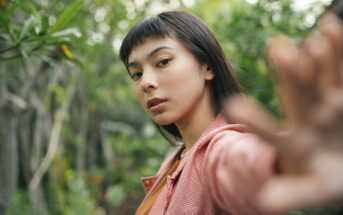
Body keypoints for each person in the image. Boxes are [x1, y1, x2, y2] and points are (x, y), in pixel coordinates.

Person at [119, 10, 343, 215]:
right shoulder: (174, 160)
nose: (146, 82)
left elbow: (241, 161)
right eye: (136, 74)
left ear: (208, 66)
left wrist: (287, 162)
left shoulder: (218, 150)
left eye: (163, 61)